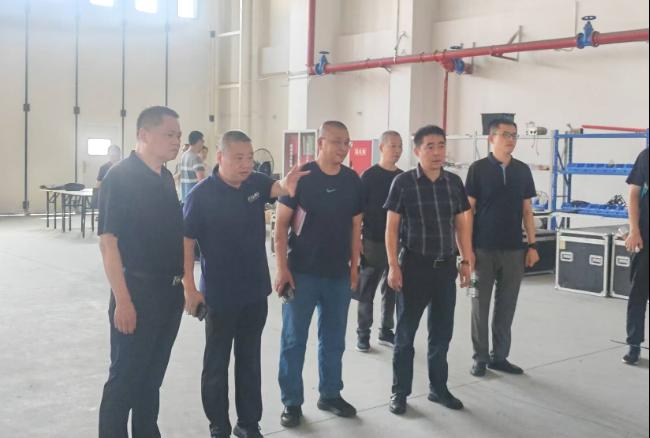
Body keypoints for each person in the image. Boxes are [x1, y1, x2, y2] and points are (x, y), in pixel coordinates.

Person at [183, 130, 309, 438]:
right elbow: (185, 242)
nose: (246, 164)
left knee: (250, 360)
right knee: (216, 364)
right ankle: (219, 426)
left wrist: (287, 184)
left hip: (254, 292)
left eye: (250, 158)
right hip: (219, 296)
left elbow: (277, 188)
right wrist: (190, 287)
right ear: (220, 157)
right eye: (238, 158)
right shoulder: (200, 195)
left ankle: (248, 424)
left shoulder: (254, 182)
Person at [97, 106, 184, 438]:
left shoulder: (164, 177)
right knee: (125, 379)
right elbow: (109, 243)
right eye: (169, 134)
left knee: (151, 379)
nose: (176, 141)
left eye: (178, 135)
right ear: (143, 135)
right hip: (137, 293)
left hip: (169, 293)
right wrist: (123, 301)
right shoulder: (120, 177)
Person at [275, 121, 363, 428]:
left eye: (347, 142)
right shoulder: (302, 177)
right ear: (321, 143)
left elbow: (356, 227)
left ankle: (330, 394)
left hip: (338, 275)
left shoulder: (352, 180)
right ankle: (291, 402)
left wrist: (355, 268)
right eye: (337, 142)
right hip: (302, 274)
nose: (343, 148)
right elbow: (280, 226)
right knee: (293, 340)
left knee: (334, 339)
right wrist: (282, 268)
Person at [385, 125, 474, 416]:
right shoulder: (403, 183)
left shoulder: (454, 183)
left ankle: (439, 388)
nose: (437, 152)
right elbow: (392, 228)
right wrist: (393, 266)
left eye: (441, 146)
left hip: (445, 268)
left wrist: (465, 259)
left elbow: (461, 224)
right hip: (414, 267)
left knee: (441, 334)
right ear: (417, 151)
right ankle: (400, 392)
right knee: (405, 335)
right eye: (430, 147)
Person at [465, 118, 539, 377]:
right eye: (506, 134)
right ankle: (480, 357)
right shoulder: (477, 169)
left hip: (513, 249)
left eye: (514, 135)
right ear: (491, 138)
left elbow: (527, 211)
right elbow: (468, 211)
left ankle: (500, 356)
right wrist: (466, 250)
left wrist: (532, 245)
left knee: (507, 305)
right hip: (482, 249)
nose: (511, 140)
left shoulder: (522, 170)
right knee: (479, 305)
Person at [354, 130, 403, 352]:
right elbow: (358, 212)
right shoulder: (368, 176)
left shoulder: (402, 178)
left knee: (392, 288)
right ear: (382, 147)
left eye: (400, 146)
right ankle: (363, 334)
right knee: (367, 291)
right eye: (393, 145)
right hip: (373, 241)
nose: (397, 150)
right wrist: (357, 240)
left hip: (397, 243)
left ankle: (386, 331)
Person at [622, 147, 649, 365]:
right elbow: (633, 193)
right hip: (646, 236)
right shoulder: (647, 156)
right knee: (638, 293)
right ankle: (634, 344)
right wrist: (634, 230)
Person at [179, 131, 207, 203]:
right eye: (202, 140)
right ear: (198, 141)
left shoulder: (184, 156)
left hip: (185, 197)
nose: (203, 143)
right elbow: (202, 181)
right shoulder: (196, 158)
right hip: (195, 198)